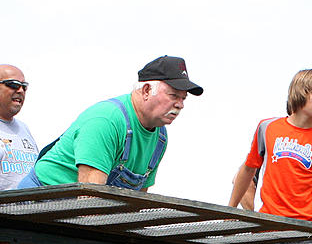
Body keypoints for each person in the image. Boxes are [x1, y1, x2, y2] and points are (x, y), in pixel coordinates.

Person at [19, 56, 203, 190]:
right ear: (146, 90)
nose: (180, 105)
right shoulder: (107, 121)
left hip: (79, 210)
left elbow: (139, 199)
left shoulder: (160, 137)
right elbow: (89, 198)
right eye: (173, 96)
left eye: (183, 98)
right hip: (38, 202)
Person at [229, 70, 312, 226]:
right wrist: (231, 209)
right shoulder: (267, 127)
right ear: (301, 93)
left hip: (308, 227)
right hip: (268, 224)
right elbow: (248, 170)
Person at [0, 64, 39, 190]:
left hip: (32, 208)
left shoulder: (24, 128)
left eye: (24, 87)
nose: (20, 90)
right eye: (13, 84)